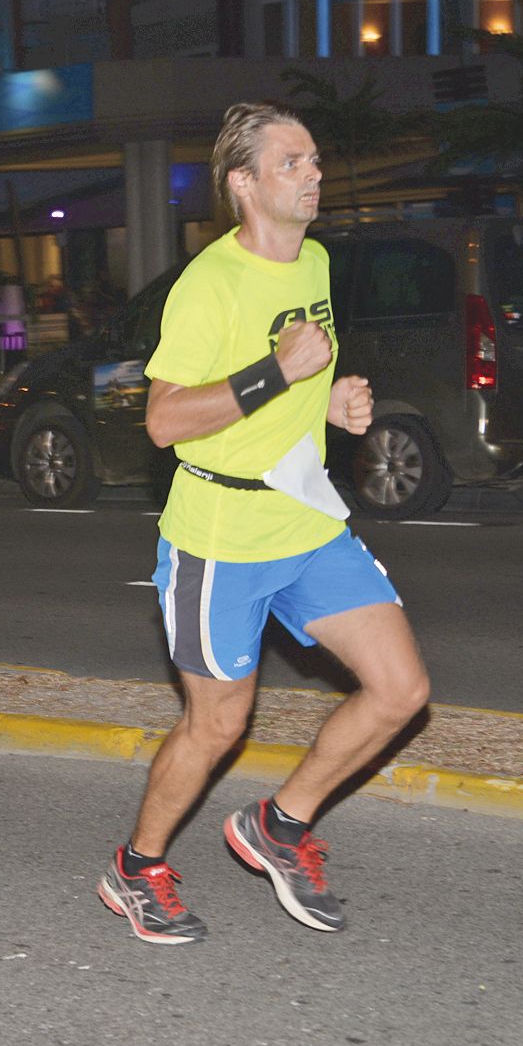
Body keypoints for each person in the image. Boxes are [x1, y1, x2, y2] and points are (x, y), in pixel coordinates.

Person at [99, 102, 429, 944]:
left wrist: (337, 402)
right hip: (220, 536)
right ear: (243, 184)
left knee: (401, 691)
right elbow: (164, 421)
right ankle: (136, 868)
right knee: (218, 724)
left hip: (305, 517)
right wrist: (276, 375)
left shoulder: (313, 262)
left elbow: (308, 373)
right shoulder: (209, 284)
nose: (313, 174)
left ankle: (280, 824)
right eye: (293, 163)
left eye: (314, 159)